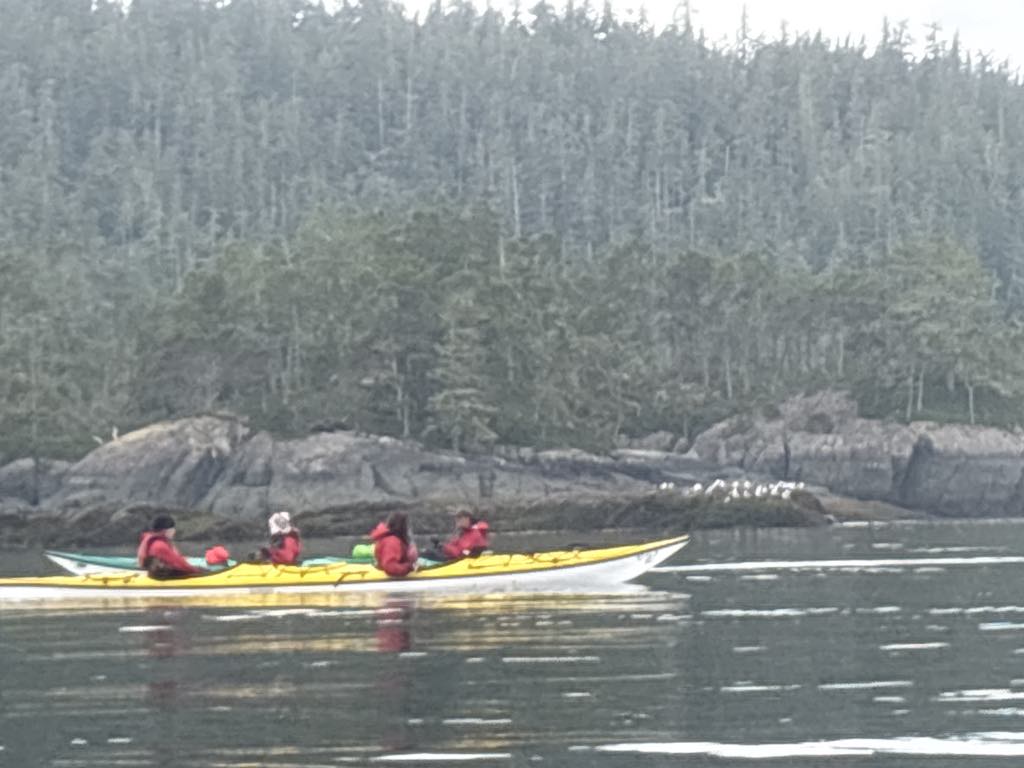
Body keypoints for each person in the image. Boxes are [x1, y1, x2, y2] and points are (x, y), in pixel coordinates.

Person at [137, 515, 204, 579]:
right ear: (166, 530)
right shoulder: (160, 546)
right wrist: (199, 572)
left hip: (155, 573)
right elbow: (180, 565)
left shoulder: (154, 541)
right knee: (202, 570)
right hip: (162, 576)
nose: (174, 531)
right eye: (173, 529)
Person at [371, 511, 419, 577]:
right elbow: (390, 567)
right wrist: (409, 567)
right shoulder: (391, 541)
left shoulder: (393, 539)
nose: (409, 529)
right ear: (402, 526)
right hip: (391, 581)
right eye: (407, 525)